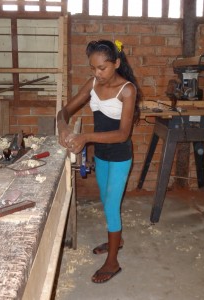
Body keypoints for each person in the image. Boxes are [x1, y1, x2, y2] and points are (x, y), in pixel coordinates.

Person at [57, 39, 142, 283]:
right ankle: (118, 240)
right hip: (102, 155)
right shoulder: (93, 84)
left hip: (119, 156)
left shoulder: (127, 90)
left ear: (116, 63)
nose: (97, 73)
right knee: (105, 200)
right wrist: (63, 128)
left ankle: (113, 262)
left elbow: (122, 134)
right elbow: (63, 112)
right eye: (92, 68)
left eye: (102, 68)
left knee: (111, 207)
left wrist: (86, 137)